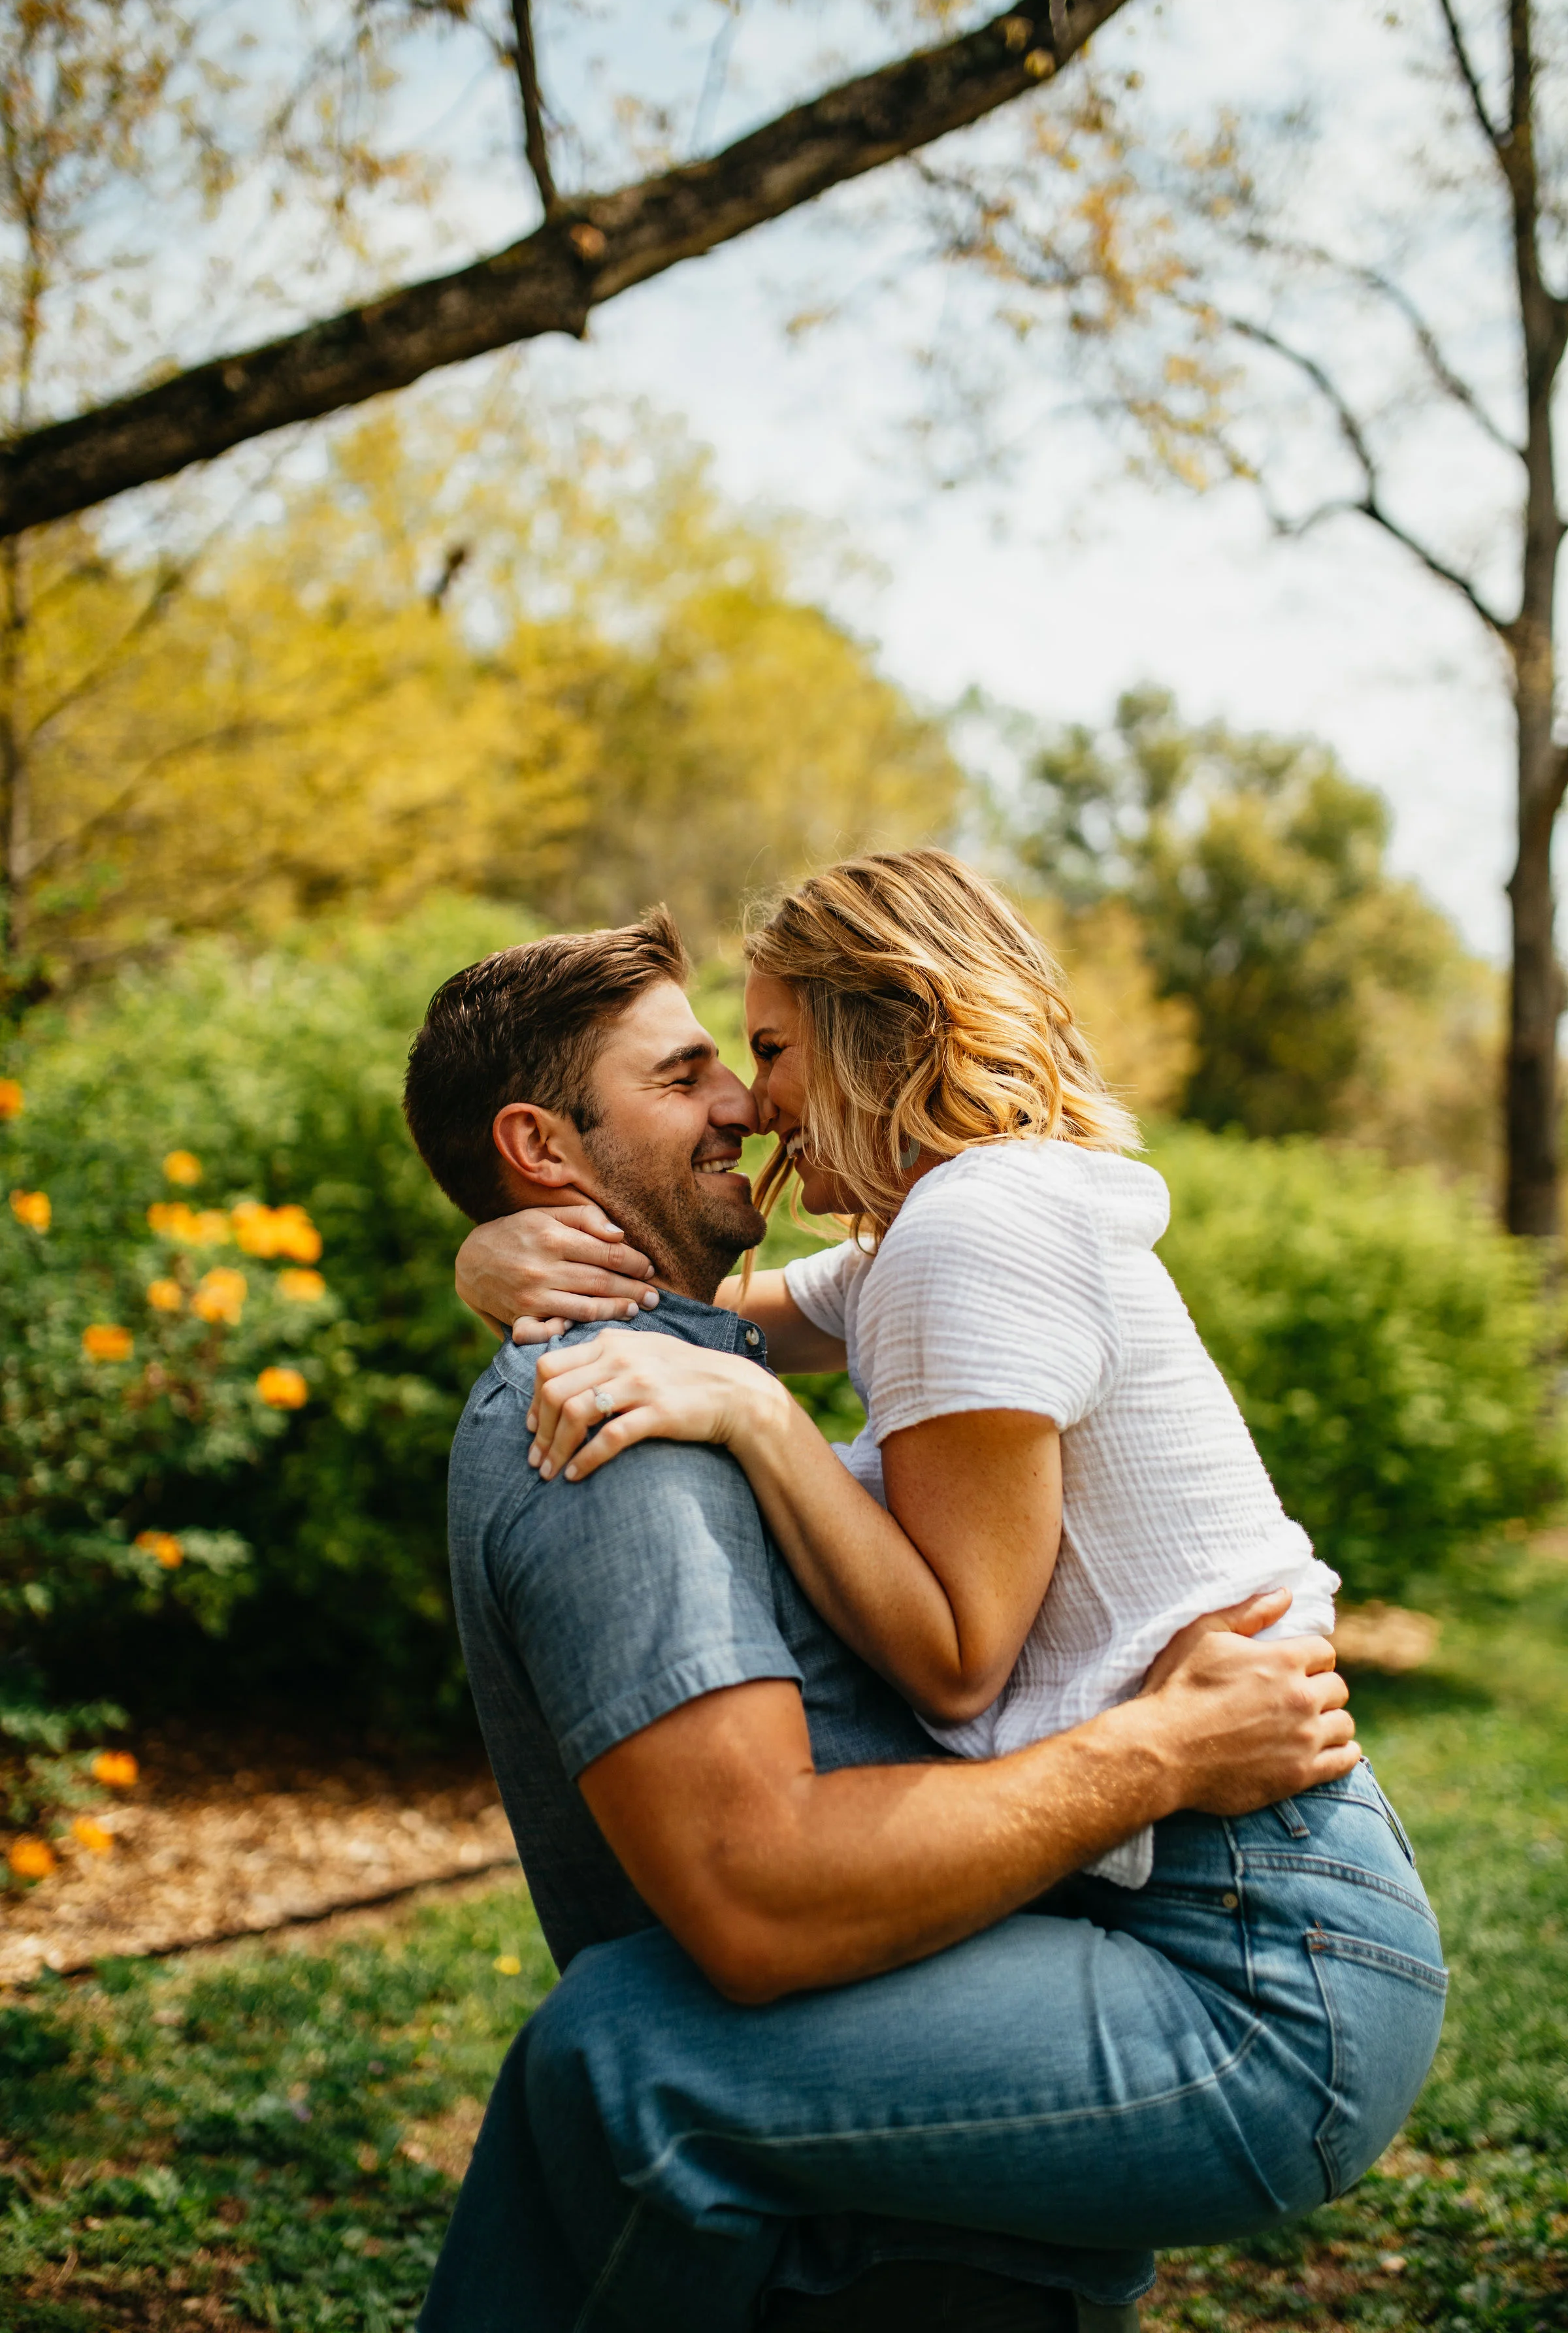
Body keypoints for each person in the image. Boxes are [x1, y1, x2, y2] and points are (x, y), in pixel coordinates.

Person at [404, 907, 1443, 2333]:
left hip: (1259, 1930)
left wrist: (1170, 1748)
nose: (748, 1103)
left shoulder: (976, 1222)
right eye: (694, 1069)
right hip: (1175, 1891)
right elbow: (731, 1319)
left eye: (760, 1051)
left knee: (627, 2063)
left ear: (879, 1034)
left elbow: (959, 1661)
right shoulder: (913, 1246)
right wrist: (495, 1255)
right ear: (542, 1143)